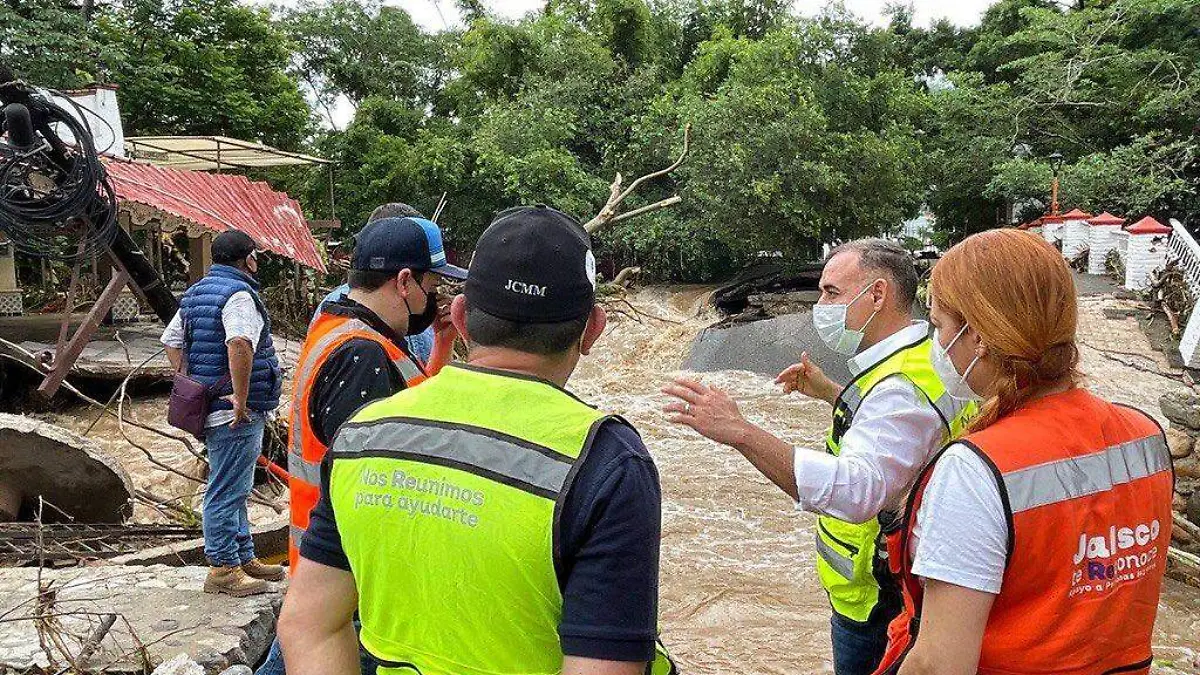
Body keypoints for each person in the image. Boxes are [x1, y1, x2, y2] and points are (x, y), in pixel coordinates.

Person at [277, 205, 676, 675]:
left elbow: (308, 625)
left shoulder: (364, 431)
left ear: (461, 318)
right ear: (592, 330)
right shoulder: (608, 461)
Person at [662, 239, 976, 674]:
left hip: (876, 603)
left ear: (878, 295)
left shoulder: (898, 388)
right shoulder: (925, 357)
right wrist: (833, 393)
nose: (821, 305)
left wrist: (739, 431)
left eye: (832, 293)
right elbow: (904, 443)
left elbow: (855, 491)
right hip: (899, 589)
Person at [871, 229, 1173, 675]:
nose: (935, 346)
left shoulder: (975, 470)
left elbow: (940, 664)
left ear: (978, 337)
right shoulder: (1144, 434)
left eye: (938, 327)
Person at [255, 215, 466, 675]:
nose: (437, 299)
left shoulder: (347, 330)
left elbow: (400, 414)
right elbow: (377, 478)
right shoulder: (361, 355)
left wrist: (443, 345)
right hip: (349, 576)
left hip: (328, 564)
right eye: (433, 285)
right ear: (406, 281)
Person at [161, 229, 283, 597]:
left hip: (211, 408)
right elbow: (240, 345)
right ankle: (223, 570)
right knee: (225, 490)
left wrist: (191, 381)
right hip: (234, 412)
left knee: (235, 484)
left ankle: (243, 556)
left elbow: (171, 341)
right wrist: (240, 400)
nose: (257, 262)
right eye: (255, 256)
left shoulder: (196, 293)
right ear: (247, 259)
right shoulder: (239, 295)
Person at [311, 203, 437, 362]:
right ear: (404, 281)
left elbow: (422, 384)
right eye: (431, 286)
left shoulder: (354, 315)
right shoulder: (362, 349)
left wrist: (443, 341)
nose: (432, 297)